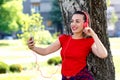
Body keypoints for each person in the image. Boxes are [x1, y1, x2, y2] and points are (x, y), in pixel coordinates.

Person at [27, 11, 108, 80]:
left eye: (77, 21)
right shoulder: (64, 39)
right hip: (65, 77)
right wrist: (33, 47)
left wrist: (94, 35)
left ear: (85, 24)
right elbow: (45, 51)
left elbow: (103, 54)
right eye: (72, 21)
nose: (73, 24)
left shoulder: (88, 41)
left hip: (81, 77)